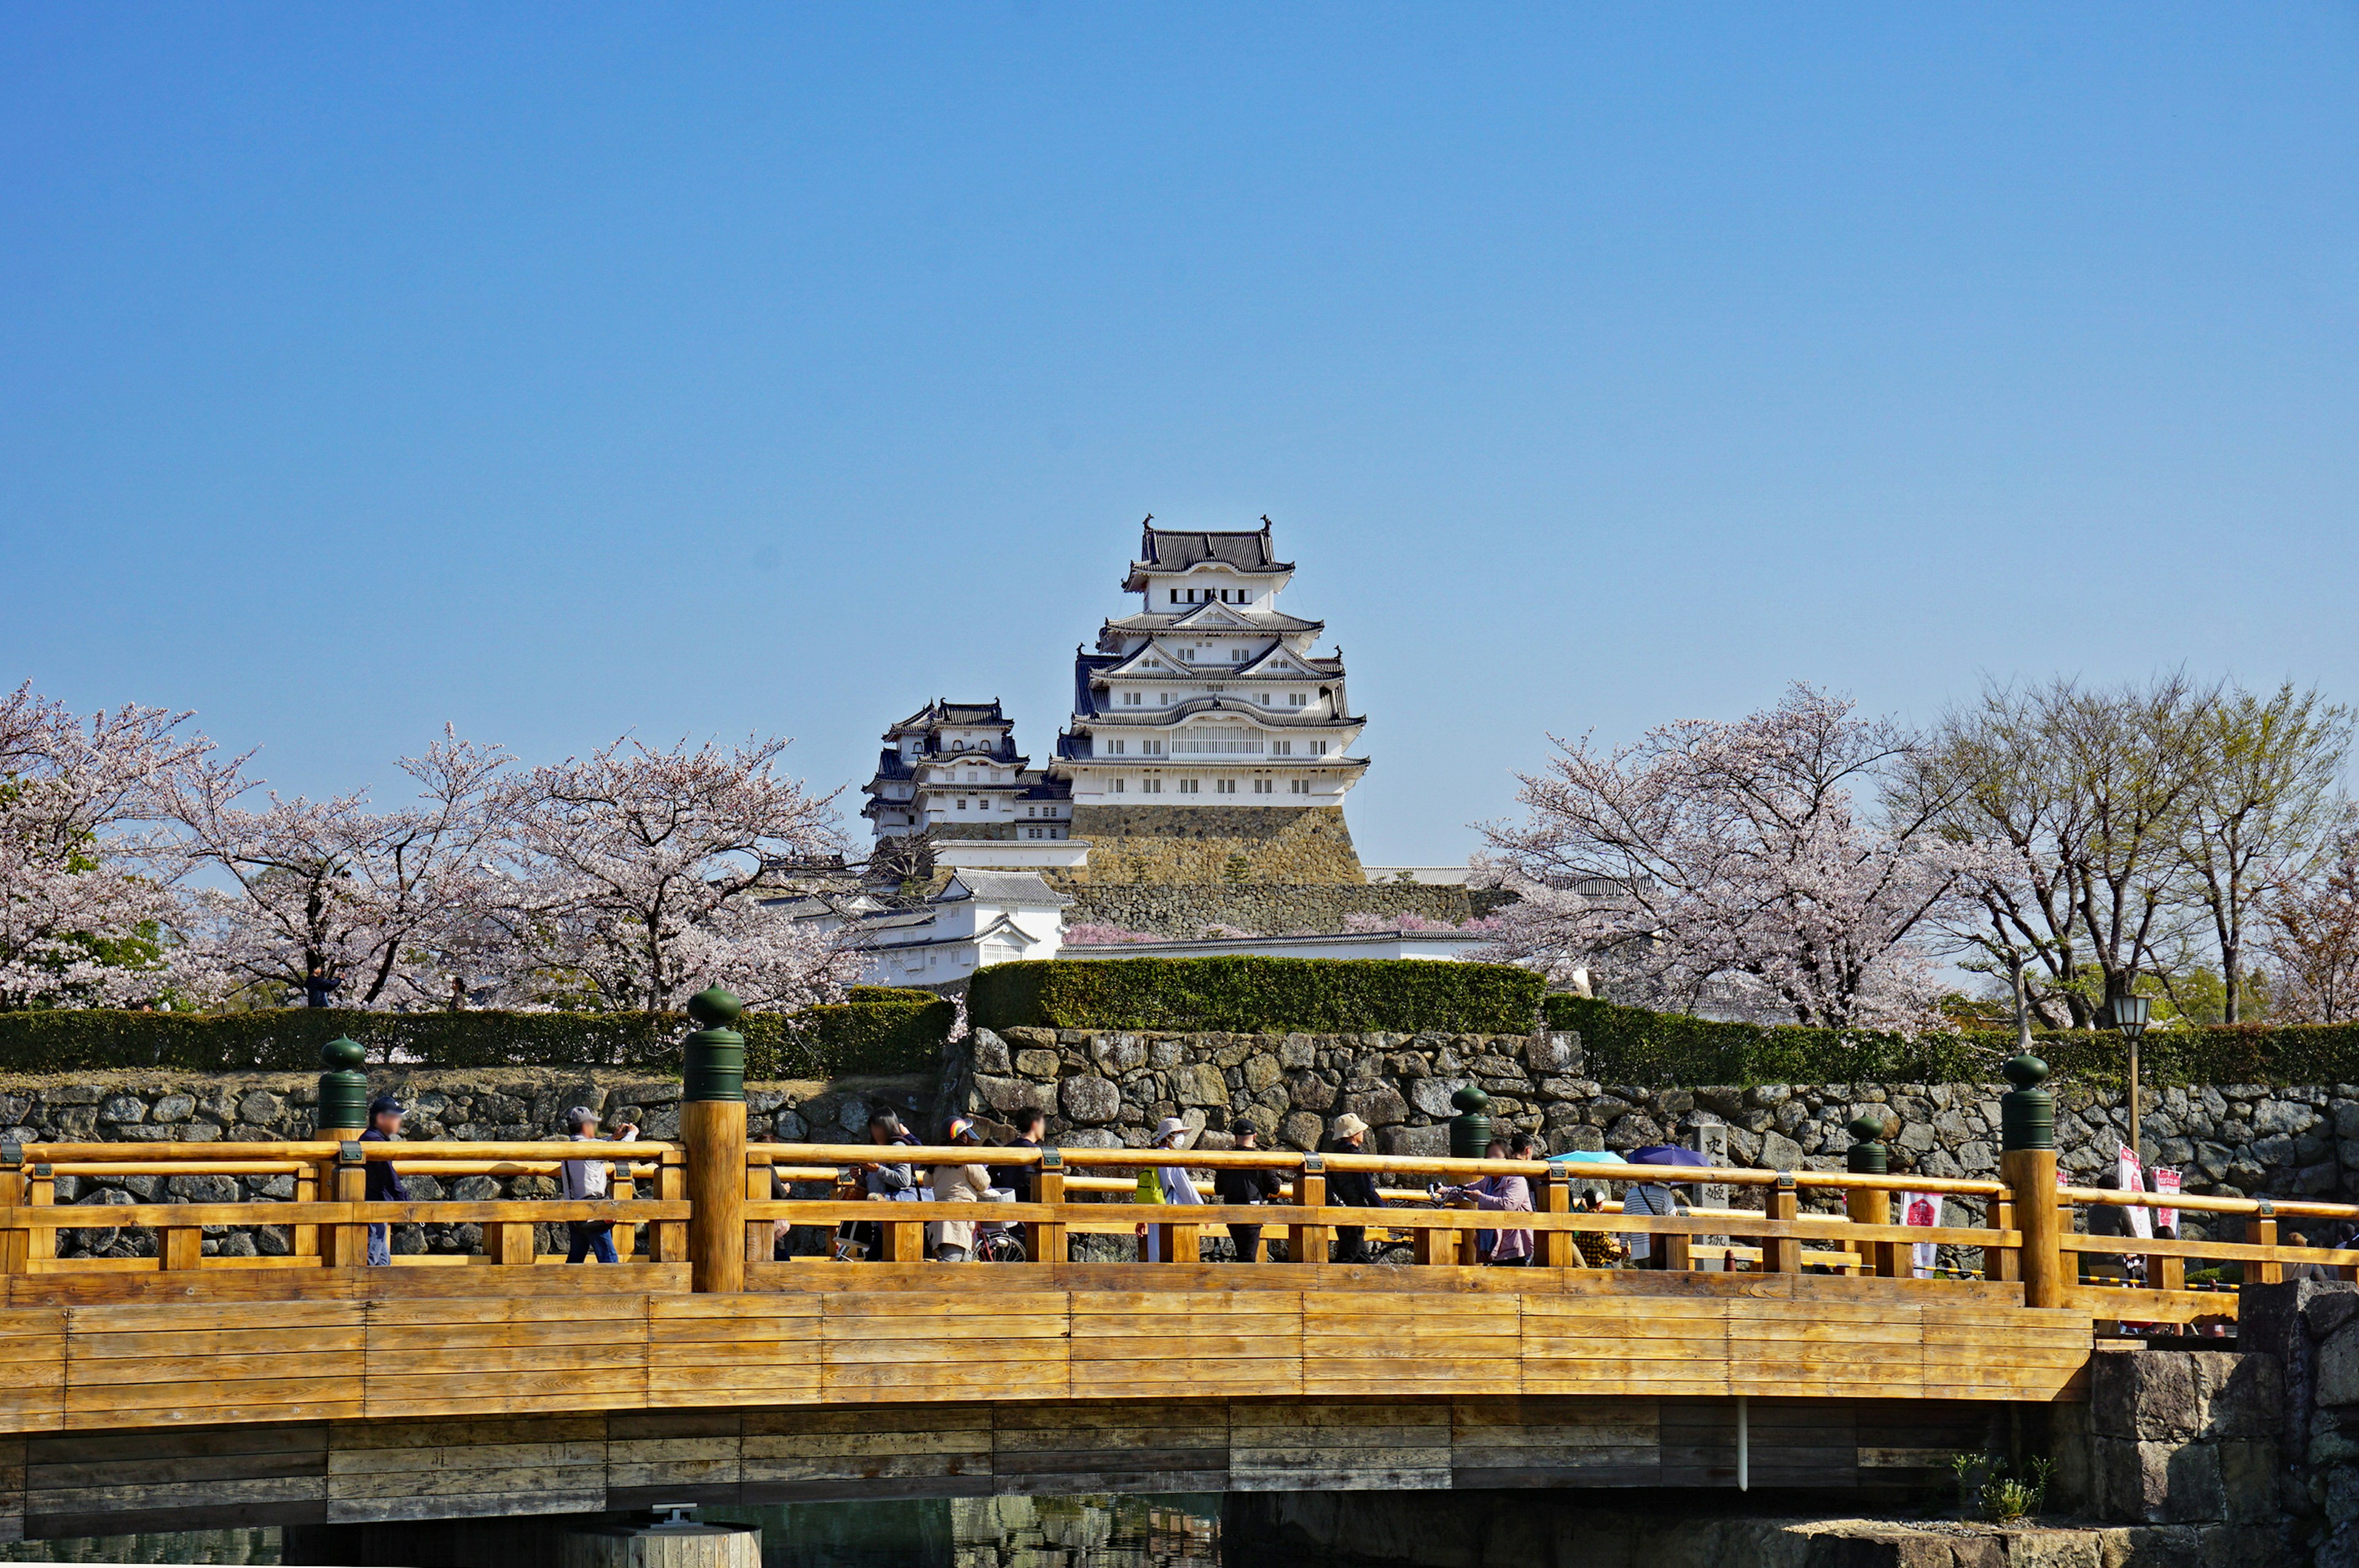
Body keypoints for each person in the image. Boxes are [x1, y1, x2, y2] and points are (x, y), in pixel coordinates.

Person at [560, 1107, 639, 1263]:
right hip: (593, 1210)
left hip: (574, 1210)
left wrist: (613, 1137)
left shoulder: (567, 1149)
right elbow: (620, 1150)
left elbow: (600, 1146)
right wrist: (632, 1134)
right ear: (586, 1126)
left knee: (577, 1256)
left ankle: (566, 1285)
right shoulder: (592, 1148)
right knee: (608, 1256)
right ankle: (614, 1286)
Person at [1440, 1142, 1533, 1266]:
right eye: (1489, 1157)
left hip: (1515, 1246)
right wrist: (1444, 1192)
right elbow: (1467, 1190)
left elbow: (1508, 1205)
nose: (1492, 1160)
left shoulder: (1517, 1179)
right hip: (1495, 1244)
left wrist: (1480, 1197)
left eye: (1497, 1156)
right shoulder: (1489, 1180)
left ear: (1507, 1159)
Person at [850, 1109, 920, 1260]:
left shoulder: (897, 1147)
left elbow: (904, 1180)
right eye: (873, 1126)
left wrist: (878, 1169)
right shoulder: (876, 1149)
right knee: (876, 1261)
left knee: (874, 1261)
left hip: (893, 1215)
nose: (874, 1131)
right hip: (881, 1218)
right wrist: (861, 1178)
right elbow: (874, 1182)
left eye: (878, 1126)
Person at [1214, 1119, 1285, 1262]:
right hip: (1253, 1213)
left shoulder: (1225, 1160)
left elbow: (1218, 1189)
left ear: (1235, 1137)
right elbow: (1275, 1188)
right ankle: (1245, 1283)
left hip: (1231, 1212)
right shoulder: (1262, 1159)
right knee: (1248, 1257)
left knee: (1243, 1254)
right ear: (1255, 1136)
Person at [926, 1118, 995, 1262]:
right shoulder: (967, 1159)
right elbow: (984, 1183)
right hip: (958, 1220)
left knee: (962, 1267)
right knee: (949, 1267)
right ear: (964, 1137)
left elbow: (927, 1181)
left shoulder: (937, 1160)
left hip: (941, 1220)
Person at [1138, 1117, 1205, 1262]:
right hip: (1170, 1209)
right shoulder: (1171, 1159)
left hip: (1154, 1211)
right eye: (1179, 1133)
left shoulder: (1151, 1158)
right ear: (1169, 1137)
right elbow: (1186, 1189)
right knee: (1172, 1254)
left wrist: (1141, 1217)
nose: (1181, 1137)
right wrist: (1203, 1211)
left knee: (1156, 1252)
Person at [1325, 1113, 1387, 1263]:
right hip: (1354, 1210)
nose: (1363, 1133)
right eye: (1360, 1130)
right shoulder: (1356, 1158)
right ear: (1354, 1134)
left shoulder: (1335, 1155)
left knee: (1361, 1257)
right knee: (1349, 1256)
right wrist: (1383, 1208)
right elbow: (1367, 1189)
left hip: (1340, 1208)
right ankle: (1331, 1284)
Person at [358, 1095, 408, 1266]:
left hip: (376, 1202)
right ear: (381, 1118)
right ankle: (367, 1289)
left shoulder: (371, 1139)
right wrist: (403, 1199)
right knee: (373, 1255)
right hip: (375, 1203)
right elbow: (389, 1177)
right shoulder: (374, 1142)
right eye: (395, 1117)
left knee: (381, 1257)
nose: (399, 1122)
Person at [1621, 1168, 1689, 1270]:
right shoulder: (1663, 1193)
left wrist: (1624, 1244)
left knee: (1644, 1279)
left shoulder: (1631, 1194)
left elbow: (1625, 1221)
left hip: (1638, 1245)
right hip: (1659, 1246)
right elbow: (1672, 1217)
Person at [997, 1106, 1046, 1205]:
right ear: (1035, 1125)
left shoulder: (1006, 1148)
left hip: (1007, 1203)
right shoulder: (1036, 1151)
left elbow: (991, 1174)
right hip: (1029, 1206)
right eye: (1042, 1123)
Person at [1573, 1188, 1626, 1268]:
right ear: (1600, 1205)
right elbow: (1604, 1249)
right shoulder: (1599, 1222)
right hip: (1596, 1265)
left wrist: (1611, 1241)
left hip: (1582, 1263)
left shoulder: (1579, 1218)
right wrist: (1620, 1254)